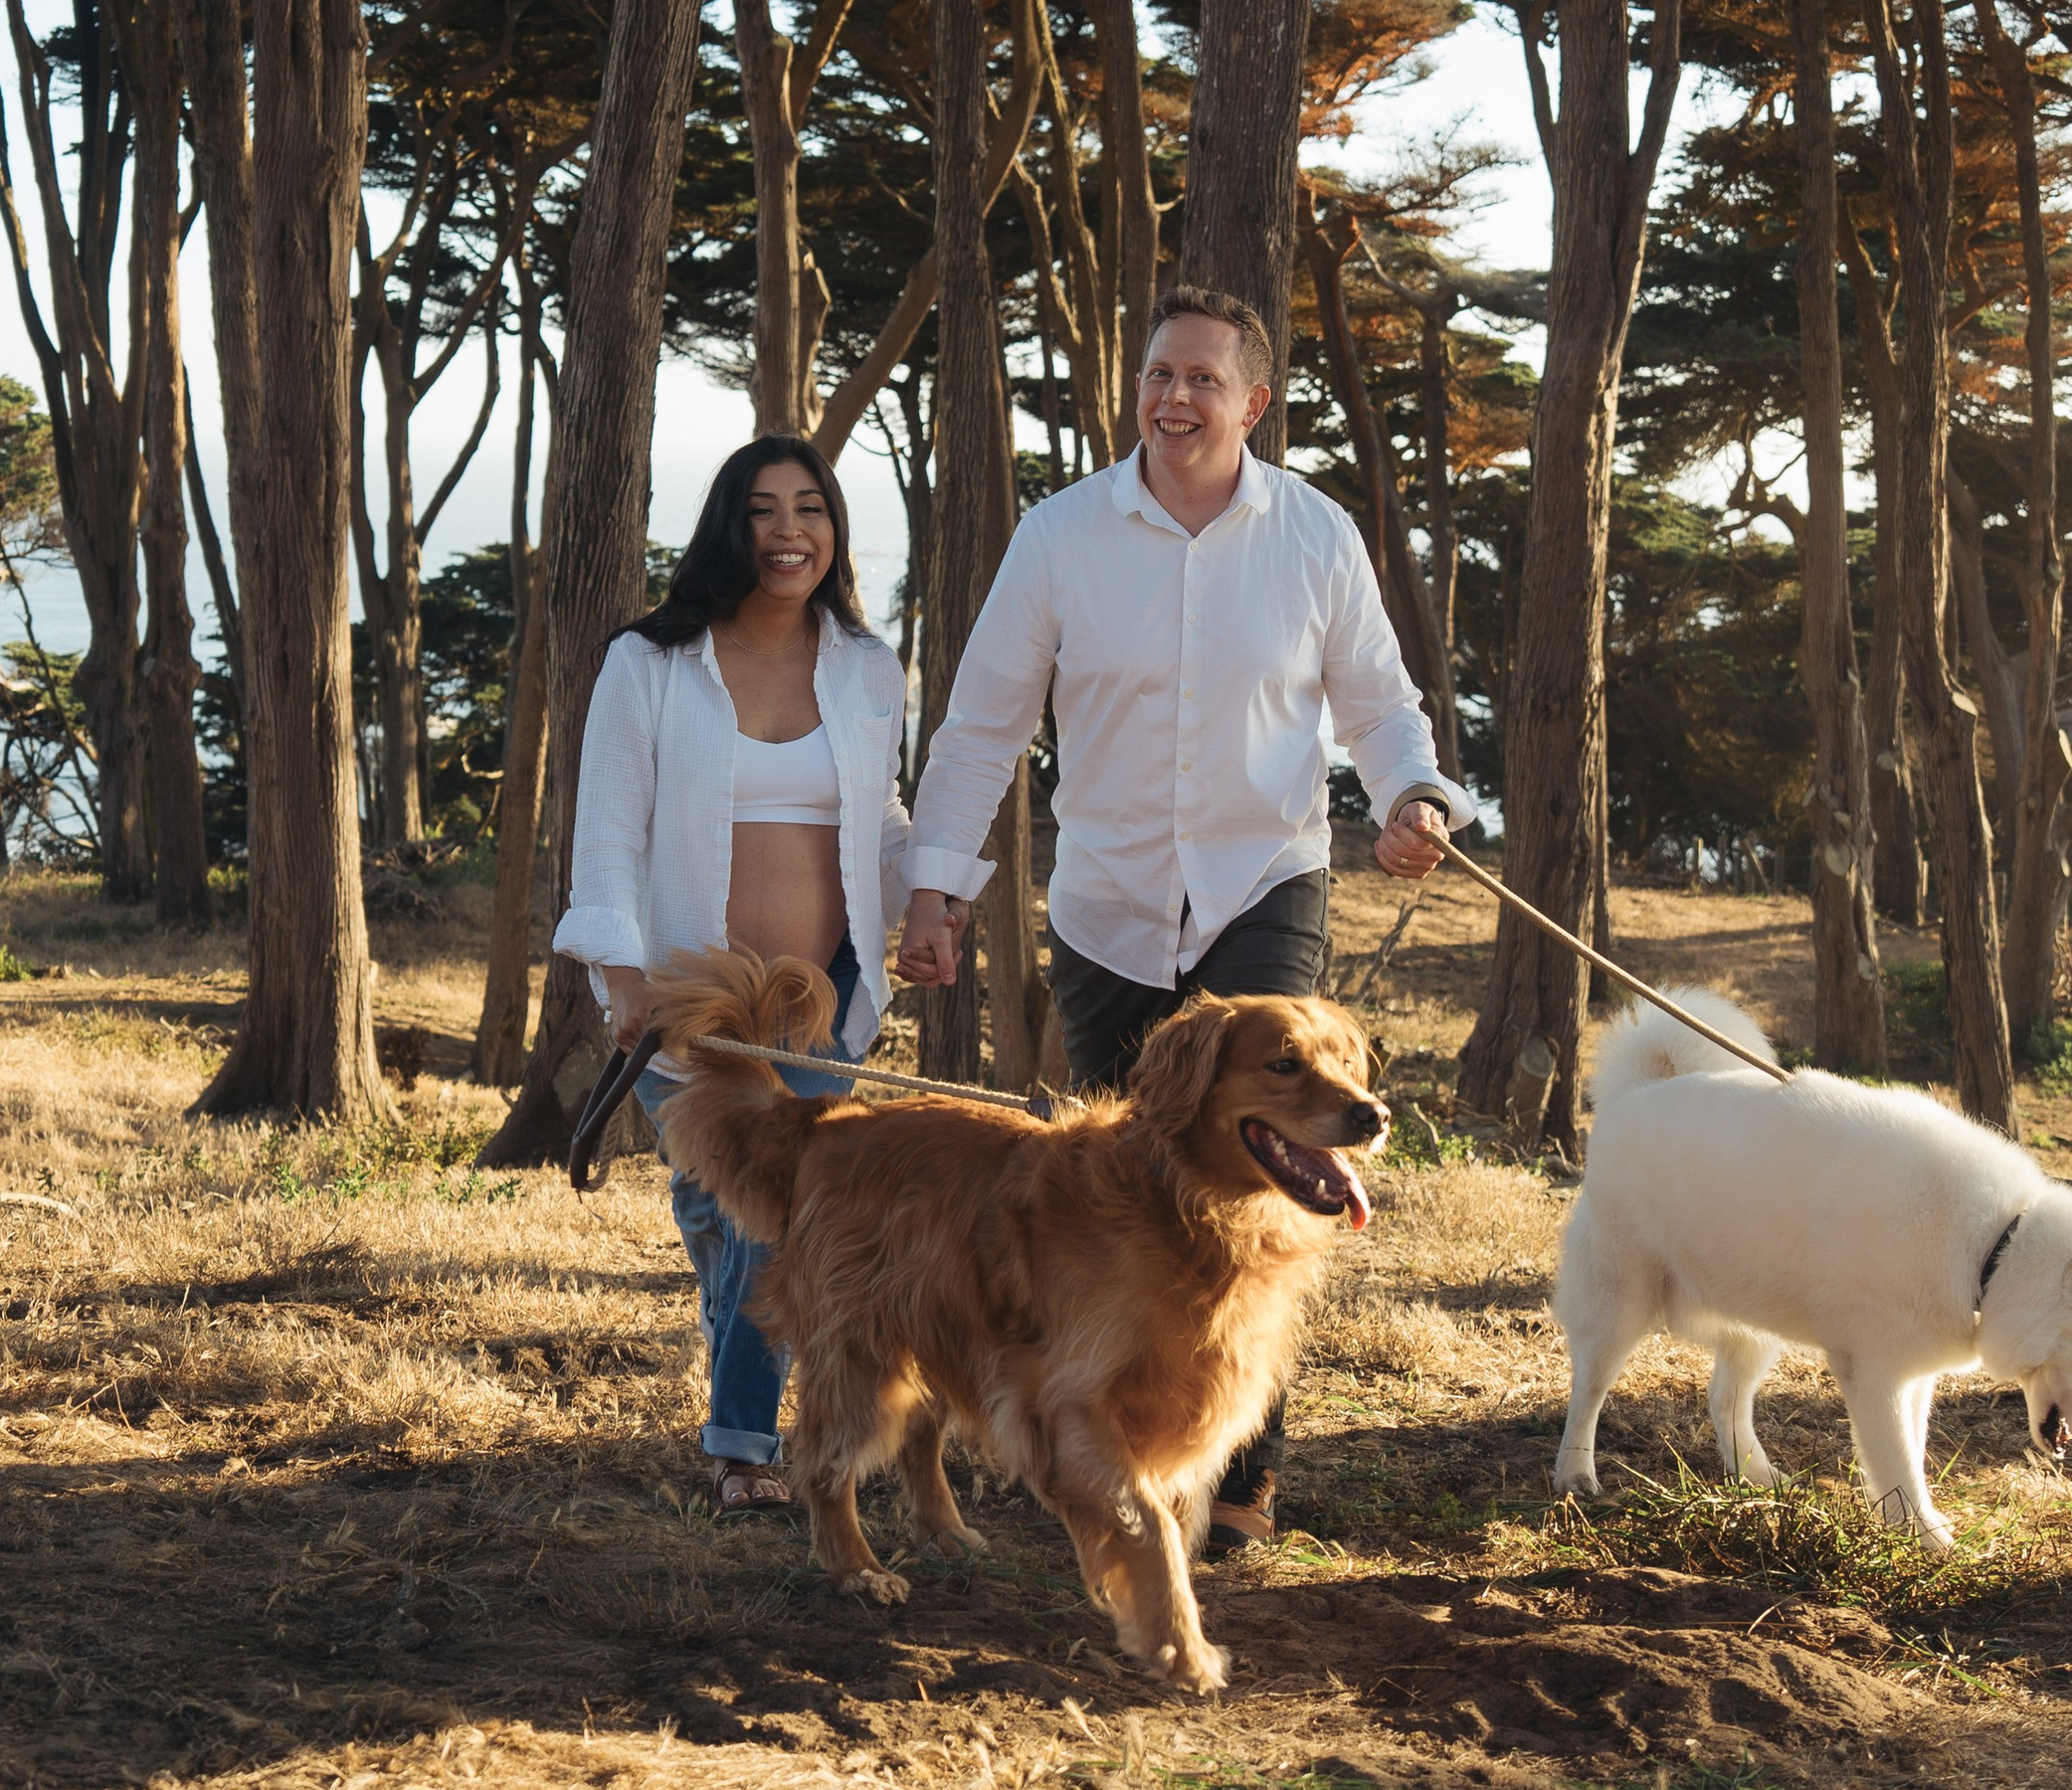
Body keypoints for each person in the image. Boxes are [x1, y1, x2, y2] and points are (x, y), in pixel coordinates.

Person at [897, 282, 1469, 1552]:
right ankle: (1119, 1457)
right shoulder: (1059, 538)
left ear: (1253, 402)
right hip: (1104, 906)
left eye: (1203, 377)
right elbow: (985, 722)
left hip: (1264, 887)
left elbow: (1378, 704)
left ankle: (1244, 1486)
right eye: (1158, 373)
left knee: (1266, 1179)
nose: (1174, 396)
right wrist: (932, 887)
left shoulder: (1314, 536)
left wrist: (1414, 796)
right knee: (1125, 1197)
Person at [556, 435, 913, 1513]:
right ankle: (749, 1417)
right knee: (729, 1221)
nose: (789, 529)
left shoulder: (865, 666)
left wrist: (932, 896)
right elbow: (609, 833)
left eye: (811, 507)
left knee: (781, 1215)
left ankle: (744, 1449)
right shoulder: (650, 662)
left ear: (835, 531)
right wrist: (626, 987)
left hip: (819, 1003)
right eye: (763, 510)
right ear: (729, 526)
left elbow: (882, 817)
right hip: (690, 1008)